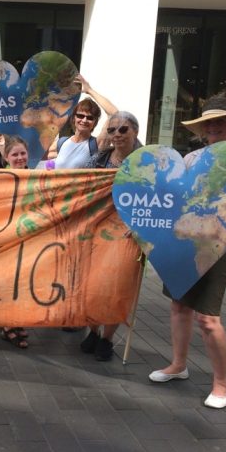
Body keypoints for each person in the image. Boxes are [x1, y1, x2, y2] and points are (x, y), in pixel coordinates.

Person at [148, 96, 226, 409]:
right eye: (209, 122)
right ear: (203, 128)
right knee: (179, 305)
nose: (214, 127)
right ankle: (178, 365)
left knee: (207, 318)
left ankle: (222, 384)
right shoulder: (192, 159)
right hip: (185, 239)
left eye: (220, 121)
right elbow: (175, 199)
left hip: (221, 243)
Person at [79, 111, 143, 360]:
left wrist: (143, 226)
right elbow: (82, 186)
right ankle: (93, 331)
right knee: (92, 284)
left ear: (135, 131)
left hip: (128, 233)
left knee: (118, 286)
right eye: (112, 130)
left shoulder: (147, 161)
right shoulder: (99, 158)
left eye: (123, 129)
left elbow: (158, 197)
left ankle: (107, 338)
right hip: (97, 229)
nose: (117, 134)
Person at [38, 74, 117, 169]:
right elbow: (35, 158)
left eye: (90, 118)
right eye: (80, 116)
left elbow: (115, 114)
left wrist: (89, 90)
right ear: (74, 118)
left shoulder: (97, 144)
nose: (84, 120)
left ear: (95, 123)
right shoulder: (62, 142)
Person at [0, 135, 31, 348]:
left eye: (23, 153)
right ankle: (6, 324)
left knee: (23, 282)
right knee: (8, 282)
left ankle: (18, 320)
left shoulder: (36, 177)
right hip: (6, 238)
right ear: (6, 157)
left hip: (28, 237)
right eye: (15, 154)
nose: (19, 158)